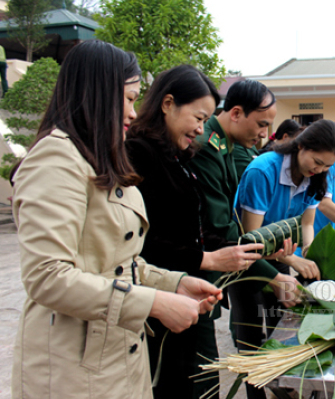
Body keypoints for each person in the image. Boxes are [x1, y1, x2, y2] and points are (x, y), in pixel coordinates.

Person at [10, 40, 223, 399]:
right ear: (97, 93)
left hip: (117, 353)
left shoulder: (95, 159)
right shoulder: (54, 160)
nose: (132, 112)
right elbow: (47, 276)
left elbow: (117, 262)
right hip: (71, 366)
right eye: (127, 99)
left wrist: (172, 283)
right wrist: (152, 303)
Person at [125, 65, 289, 398]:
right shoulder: (141, 154)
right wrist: (209, 259)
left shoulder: (182, 152)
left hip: (187, 289)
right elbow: (147, 243)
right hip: (165, 294)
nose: (200, 129)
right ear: (168, 104)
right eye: (198, 118)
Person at [187, 79, 300, 399]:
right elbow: (224, 226)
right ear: (236, 113)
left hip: (216, 268)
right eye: (262, 124)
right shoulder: (208, 148)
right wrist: (274, 273)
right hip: (196, 269)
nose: (266, 134)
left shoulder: (233, 147)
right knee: (200, 376)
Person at [236, 119, 335, 253]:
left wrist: (308, 250)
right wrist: (291, 260)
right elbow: (252, 235)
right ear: (301, 145)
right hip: (249, 252)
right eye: (317, 162)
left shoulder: (314, 178)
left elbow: (307, 223)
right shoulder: (263, 171)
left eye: (327, 166)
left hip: (279, 249)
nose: (319, 170)